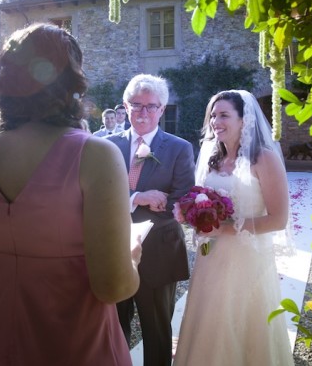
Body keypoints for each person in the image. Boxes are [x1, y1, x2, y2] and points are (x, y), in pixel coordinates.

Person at [0, 23, 142, 365]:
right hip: (79, 346)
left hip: (4, 345)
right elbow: (113, 286)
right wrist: (132, 257)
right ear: (72, 82)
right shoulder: (96, 156)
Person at [173, 90, 294, 365]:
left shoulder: (264, 159)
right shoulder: (212, 158)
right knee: (210, 322)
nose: (216, 121)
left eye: (224, 115)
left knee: (243, 324)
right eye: (213, 115)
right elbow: (201, 198)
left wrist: (223, 230)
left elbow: (278, 219)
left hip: (247, 260)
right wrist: (189, 212)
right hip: (211, 259)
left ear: (244, 120)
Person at [107, 74, 195, 366]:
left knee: (156, 330)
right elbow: (97, 195)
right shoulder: (106, 147)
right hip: (114, 250)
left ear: (162, 109)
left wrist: (152, 200)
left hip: (158, 251)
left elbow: (182, 199)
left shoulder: (179, 148)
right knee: (113, 329)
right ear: (125, 105)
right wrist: (138, 197)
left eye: (150, 106)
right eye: (136, 105)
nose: (143, 113)